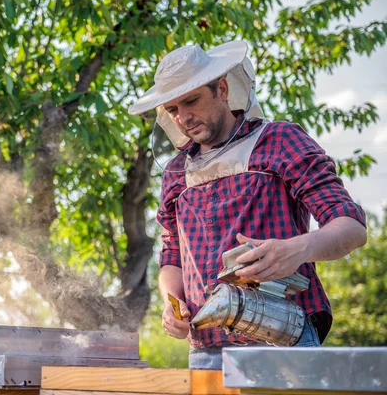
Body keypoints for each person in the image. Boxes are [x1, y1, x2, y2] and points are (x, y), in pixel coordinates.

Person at [128, 41, 367, 370]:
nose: (182, 117)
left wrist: (295, 250)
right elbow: (172, 254)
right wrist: (173, 303)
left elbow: (351, 227)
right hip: (206, 349)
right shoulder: (175, 173)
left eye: (191, 100)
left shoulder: (280, 140)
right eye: (172, 110)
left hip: (284, 338)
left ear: (222, 89)